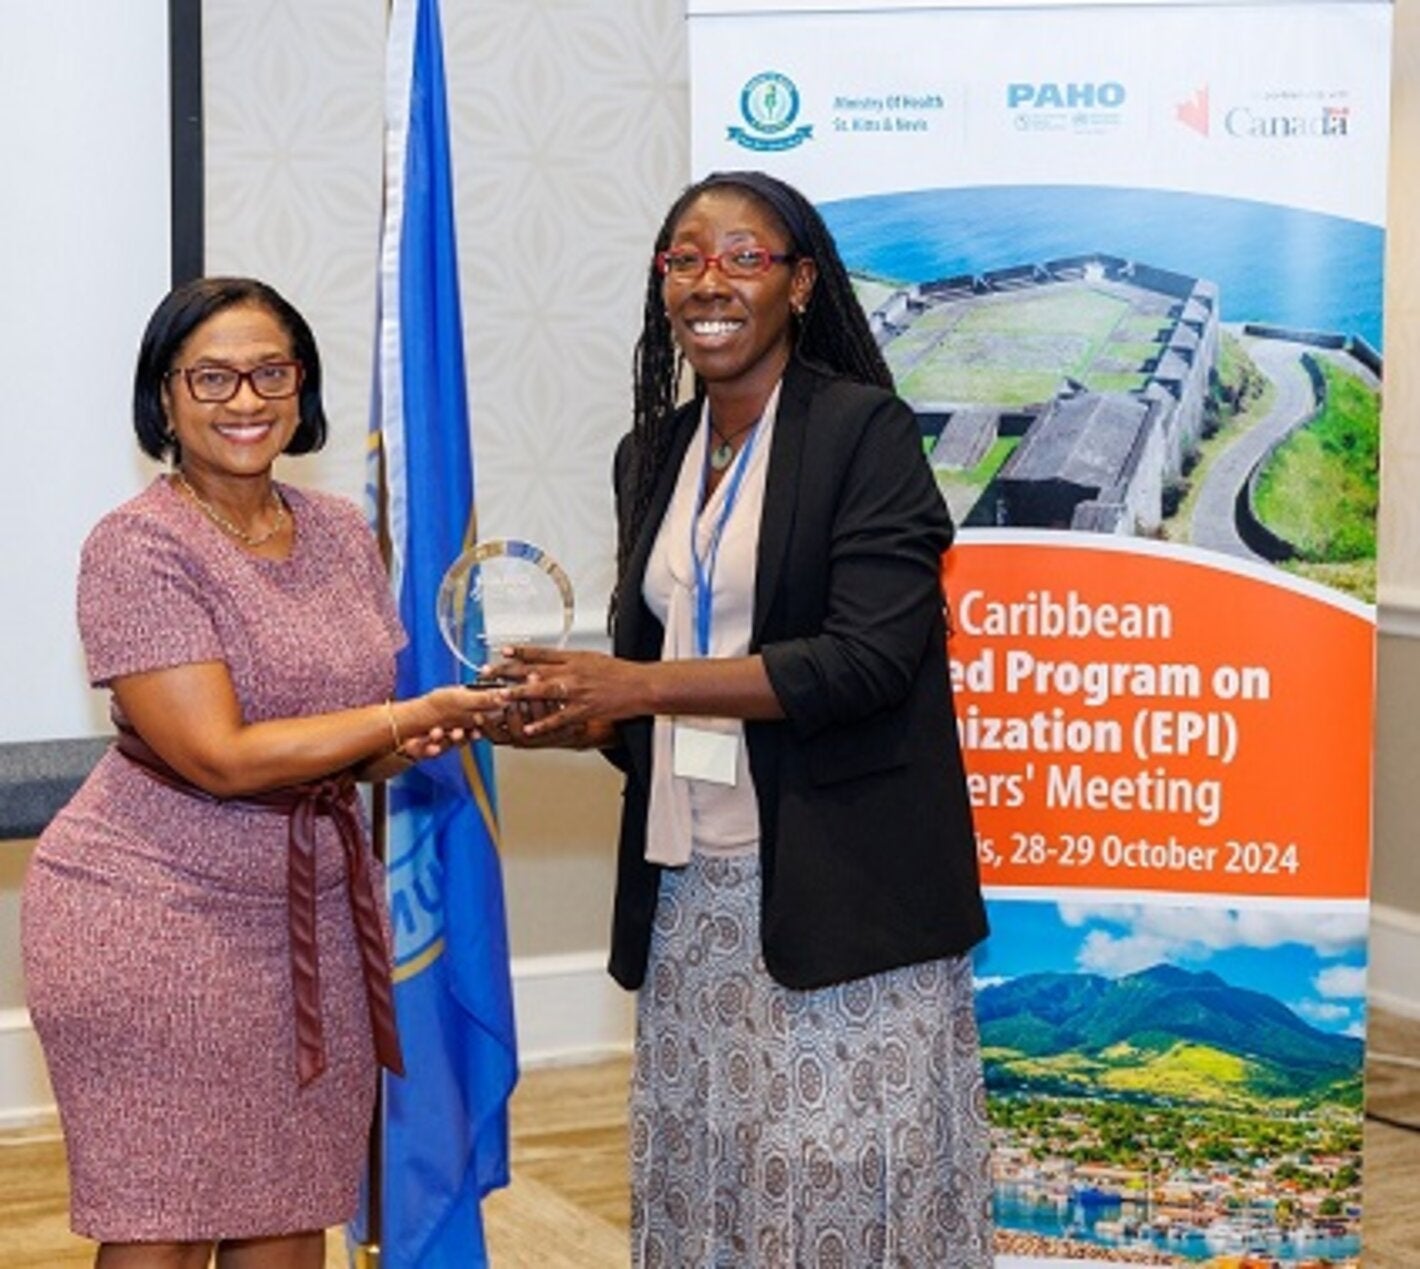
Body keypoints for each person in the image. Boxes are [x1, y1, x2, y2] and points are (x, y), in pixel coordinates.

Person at [488, 171, 993, 1266]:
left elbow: (864, 661)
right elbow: (662, 679)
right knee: (715, 1181)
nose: (708, 281)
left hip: (842, 897)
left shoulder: (866, 433)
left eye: (743, 257)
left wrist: (637, 688)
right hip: (693, 898)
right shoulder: (654, 454)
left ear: (801, 282)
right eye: (683, 258)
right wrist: (569, 713)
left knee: (836, 1188)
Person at [21, 277, 497, 1269]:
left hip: (311, 921)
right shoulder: (137, 545)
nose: (246, 399)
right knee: (165, 1223)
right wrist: (400, 715)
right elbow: (218, 756)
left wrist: (437, 731)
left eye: (271, 372)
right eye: (213, 378)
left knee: (288, 1211)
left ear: (302, 386)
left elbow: (346, 736)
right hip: (148, 917)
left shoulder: (334, 534)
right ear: (165, 399)